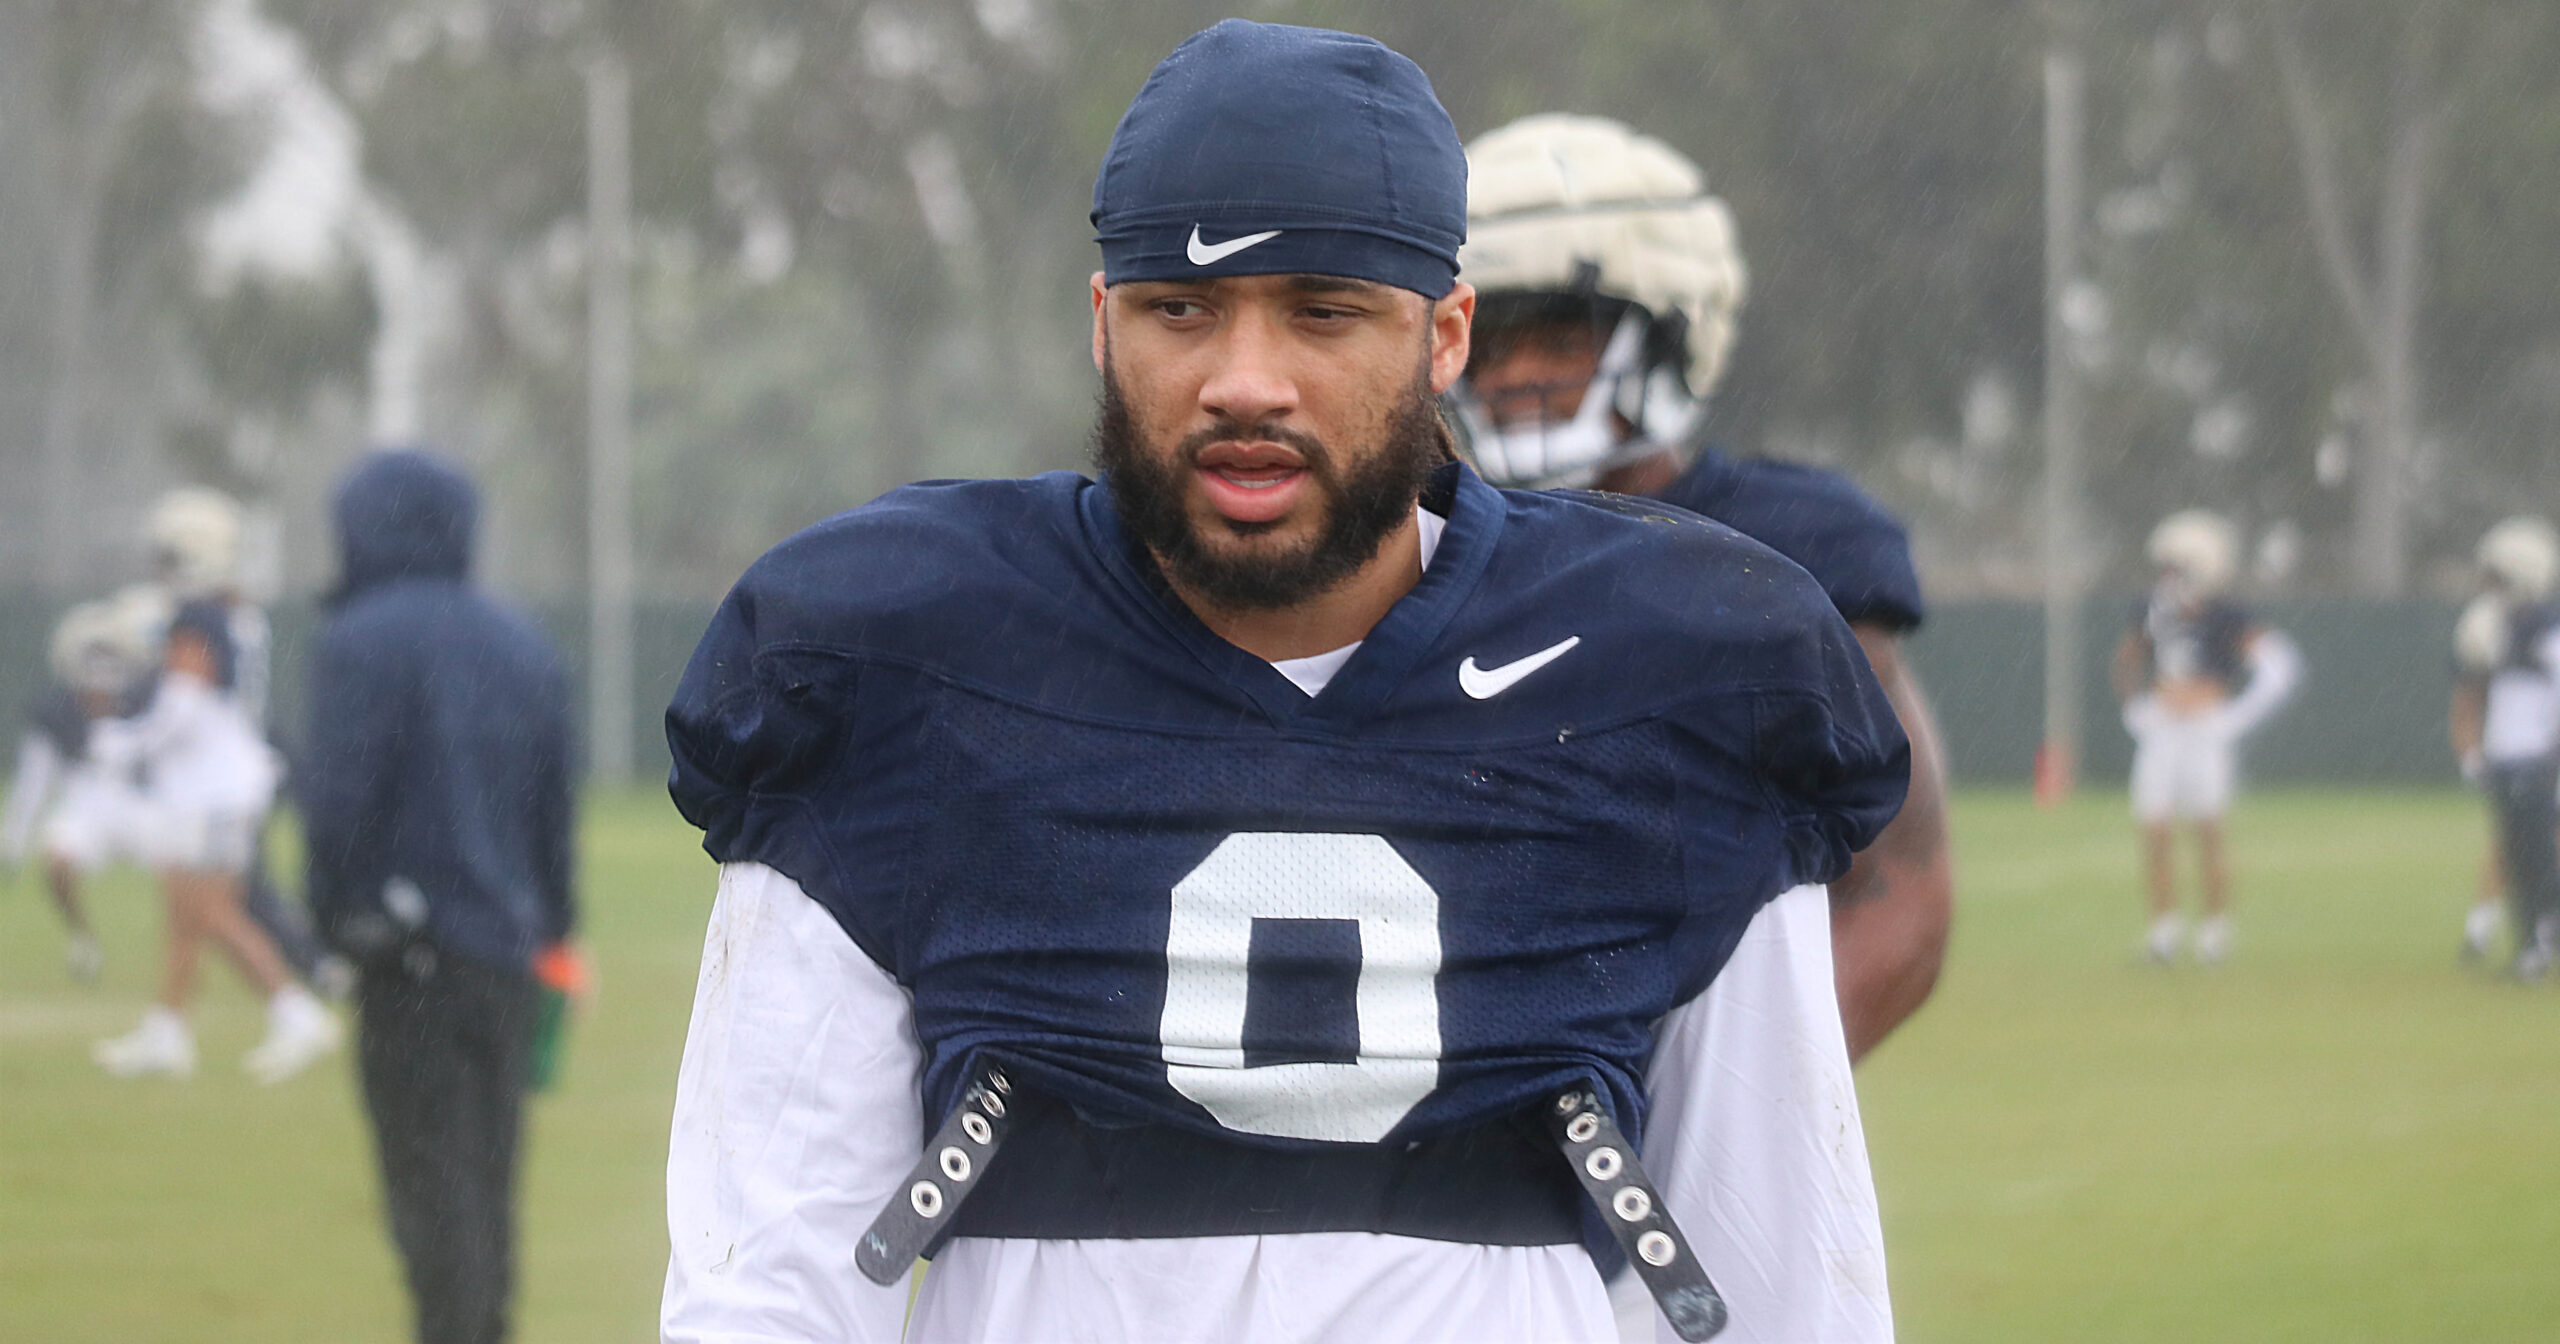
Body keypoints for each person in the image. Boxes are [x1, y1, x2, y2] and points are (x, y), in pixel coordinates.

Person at [663, 21, 1908, 1344]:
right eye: (1180, 309)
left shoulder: (1665, 666)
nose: (1244, 381)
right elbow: (768, 1280)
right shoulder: (901, 654)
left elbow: (1778, 1273)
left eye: (1324, 311)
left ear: (1443, 337)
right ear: (1102, 325)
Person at [1451, 112, 1955, 1065]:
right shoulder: (1415, 540)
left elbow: (1900, 905)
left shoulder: (1788, 547)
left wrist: (1715, 1111)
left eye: (1556, 333)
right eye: (1489, 339)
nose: (1514, 374)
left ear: (1673, 326)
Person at [301, 449, 578, 1344]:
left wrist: (334, 921)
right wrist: (557, 928)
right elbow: (551, 810)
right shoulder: (523, 643)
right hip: (506, 956)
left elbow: (337, 801)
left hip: (406, 959)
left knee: (429, 1198)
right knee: (489, 1190)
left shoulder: (359, 639)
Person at [87, 591, 338, 1081]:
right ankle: (168, 1031)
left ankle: (297, 1012)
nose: (172, 653)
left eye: (181, 643)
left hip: (213, 818)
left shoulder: (188, 694)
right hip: (206, 815)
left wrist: (101, 739)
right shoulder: (199, 694)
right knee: (184, 923)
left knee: (215, 918)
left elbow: (149, 739)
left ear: (202, 648)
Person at [144, 486, 349, 996]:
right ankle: (307, 976)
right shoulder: (237, 613)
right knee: (227, 894)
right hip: (247, 767)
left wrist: (131, 743)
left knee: (221, 900)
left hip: (223, 779)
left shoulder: (201, 616)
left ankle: (308, 983)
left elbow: (185, 704)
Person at [2111, 509, 2301, 965]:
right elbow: (2127, 658)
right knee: (2154, 830)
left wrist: (2235, 717)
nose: (2169, 577)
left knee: (2207, 829)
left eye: (2177, 567)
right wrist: (2136, 709)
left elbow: (2281, 667)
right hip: (2163, 731)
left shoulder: (2227, 615)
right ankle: (2164, 932)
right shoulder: (2153, 608)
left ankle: (2215, 932)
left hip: (2205, 731)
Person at [3, 599, 156, 981]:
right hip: (85, 808)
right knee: (57, 859)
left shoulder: (147, 703)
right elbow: (33, 784)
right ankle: (83, 939)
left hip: (141, 807)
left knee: (192, 872)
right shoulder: (56, 714)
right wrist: (12, 841)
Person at [2449, 515, 2560, 978]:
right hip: (2513, 758)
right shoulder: (2505, 623)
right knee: (2518, 855)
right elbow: (2481, 691)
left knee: (2537, 855)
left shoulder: (2543, 623)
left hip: (2539, 758)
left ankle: (2538, 942)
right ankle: (2533, 942)